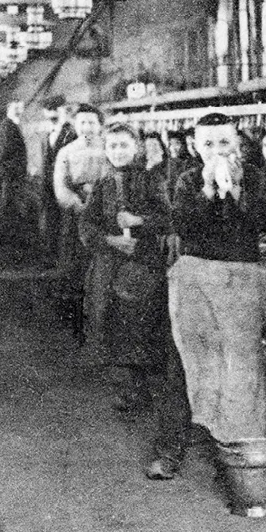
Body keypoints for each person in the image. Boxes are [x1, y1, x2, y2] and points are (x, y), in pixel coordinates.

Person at [169, 112, 266, 448]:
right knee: (201, 358)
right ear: (196, 147)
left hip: (241, 277)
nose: (217, 150)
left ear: (238, 144)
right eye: (208, 144)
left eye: (225, 142)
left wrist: (238, 190)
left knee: (242, 363)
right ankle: (212, 432)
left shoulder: (255, 176)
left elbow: (261, 221)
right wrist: (209, 190)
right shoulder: (186, 180)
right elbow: (184, 227)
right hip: (196, 277)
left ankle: (242, 443)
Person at [78, 123, 169, 415]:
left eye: (124, 145)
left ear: (136, 148)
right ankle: (129, 389)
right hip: (110, 267)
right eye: (113, 146)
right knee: (114, 325)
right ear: (106, 150)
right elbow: (86, 226)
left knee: (140, 325)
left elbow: (169, 218)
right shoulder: (103, 185)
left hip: (144, 266)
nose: (118, 151)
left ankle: (144, 388)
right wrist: (110, 240)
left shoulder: (151, 181)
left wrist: (139, 221)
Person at [52, 104, 110, 343]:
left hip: (105, 213)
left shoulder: (109, 148)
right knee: (76, 266)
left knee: (102, 265)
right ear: (76, 125)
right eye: (82, 123)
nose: (87, 128)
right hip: (76, 214)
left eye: (91, 123)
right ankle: (76, 323)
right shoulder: (66, 152)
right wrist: (77, 203)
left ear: (100, 125)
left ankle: (102, 322)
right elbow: (60, 185)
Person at [41, 96, 75, 260]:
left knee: (66, 221)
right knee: (51, 220)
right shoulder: (49, 132)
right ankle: (50, 256)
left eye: (57, 109)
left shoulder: (71, 132)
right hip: (49, 183)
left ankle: (64, 258)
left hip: (64, 183)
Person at [0, 101, 28, 240]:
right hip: (11, 172)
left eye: (21, 108)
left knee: (11, 203)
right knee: (9, 203)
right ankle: (6, 237)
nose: (19, 110)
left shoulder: (12, 124)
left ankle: (10, 235)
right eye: (16, 107)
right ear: (8, 108)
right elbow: (6, 150)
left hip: (14, 171)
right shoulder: (7, 126)